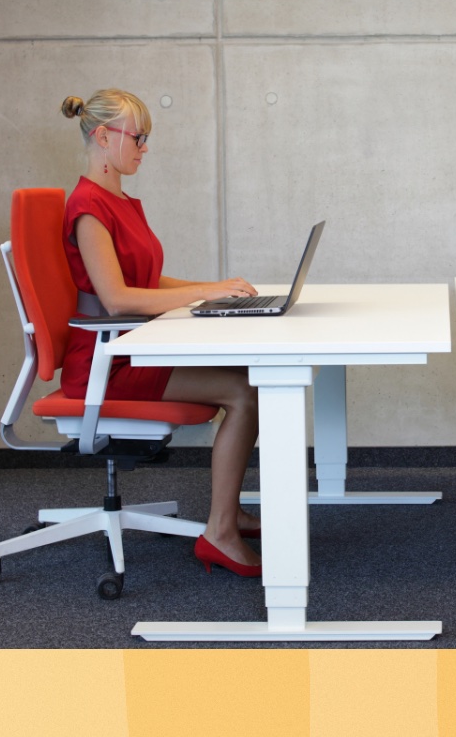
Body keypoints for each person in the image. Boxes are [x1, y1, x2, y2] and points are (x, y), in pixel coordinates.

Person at [60, 89, 265, 578]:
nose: (144, 148)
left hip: (131, 347)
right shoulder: (88, 208)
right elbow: (118, 299)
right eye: (139, 137)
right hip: (107, 364)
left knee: (247, 379)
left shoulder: (121, 201)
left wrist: (213, 289)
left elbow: (146, 283)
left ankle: (227, 512)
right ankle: (219, 532)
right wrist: (202, 295)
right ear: (104, 137)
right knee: (242, 390)